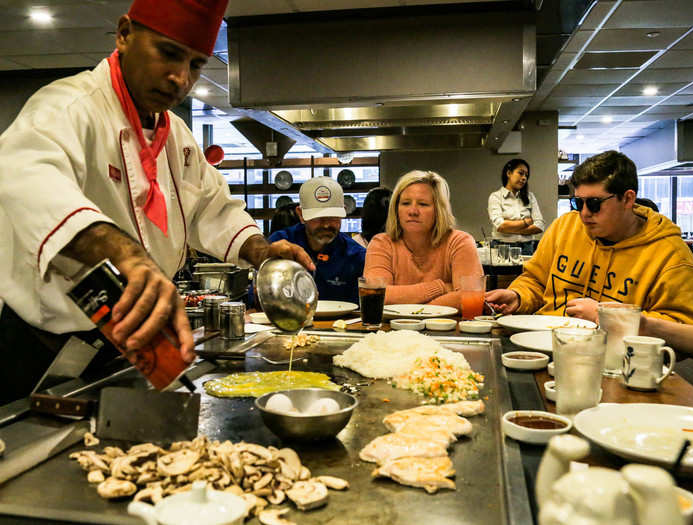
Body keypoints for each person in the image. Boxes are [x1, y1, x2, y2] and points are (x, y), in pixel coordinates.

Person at [0, 0, 313, 403]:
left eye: (196, 64)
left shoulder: (177, 135)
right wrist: (125, 257)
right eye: (168, 53)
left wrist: (259, 250)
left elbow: (213, 207)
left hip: (130, 345)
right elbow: (28, 181)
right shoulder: (69, 107)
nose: (180, 78)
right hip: (43, 350)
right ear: (125, 33)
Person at [485, 150, 693, 325]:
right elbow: (535, 280)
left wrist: (609, 318)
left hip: (616, 361)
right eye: (578, 203)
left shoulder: (670, 255)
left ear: (627, 199)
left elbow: (685, 329)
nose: (584, 213)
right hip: (545, 342)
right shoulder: (565, 226)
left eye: (595, 204)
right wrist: (518, 296)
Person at [364, 170, 482, 310]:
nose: (413, 211)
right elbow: (377, 296)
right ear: (396, 209)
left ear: (439, 210)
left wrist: (411, 309)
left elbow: (471, 297)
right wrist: (441, 287)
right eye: (406, 203)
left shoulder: (460, 242)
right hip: (394, 330)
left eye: (423, 204)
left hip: (446, 328)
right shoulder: (381, 243)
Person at [268, 177, 366, 303]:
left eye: (332, 217)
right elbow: (258, 297)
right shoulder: (281, 244)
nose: (326, 225)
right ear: (301, 214)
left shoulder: (356, 256)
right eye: (318, 218)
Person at [487, 158, 545, 256]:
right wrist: (526, 222)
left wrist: (510, 228)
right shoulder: (496, 197)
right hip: (502, 247)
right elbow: (501, 226)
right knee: (503, 272)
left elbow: (539, 225)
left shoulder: (530, 197)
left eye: (526, 175)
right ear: (509, 173)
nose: (524, 178)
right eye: (520, 173)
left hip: (526, 248)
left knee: (525, 272)